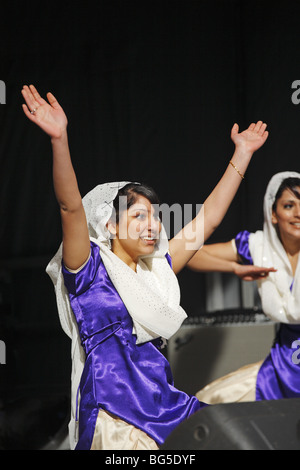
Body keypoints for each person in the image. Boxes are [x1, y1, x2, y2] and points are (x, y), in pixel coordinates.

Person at [21, 84, 268, 450]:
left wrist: (243, 153)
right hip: (115, 413)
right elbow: (70, 206)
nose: (152, 224)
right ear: (110, 224)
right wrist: (60, 139)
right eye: (139, 215)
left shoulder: (158, 271)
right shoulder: (88, 270)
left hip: (162, 403)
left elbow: (209, 220)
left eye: (155, 216)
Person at [188, 171, 300, 404]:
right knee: (208, 403)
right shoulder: (258, 246)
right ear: (273, 214)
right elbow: (190, 255)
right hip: (283, 365)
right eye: (289, 206)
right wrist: (234, 268)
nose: (298, 213)